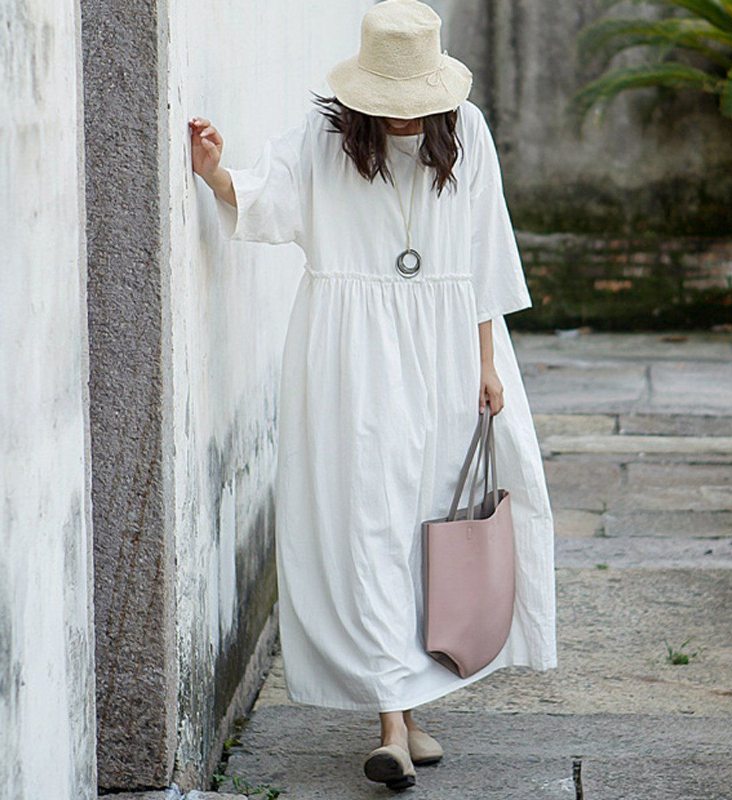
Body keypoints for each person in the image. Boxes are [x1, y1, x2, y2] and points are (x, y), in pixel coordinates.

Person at [189, 0, 556, 791]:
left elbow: (487, 251)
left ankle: (413, 709)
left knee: (429, 522)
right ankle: (391, 724)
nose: (403, 121)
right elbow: (265, 199)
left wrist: (487, 365)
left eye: (414, 106)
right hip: (349, 351)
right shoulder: (324, 140)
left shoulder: (471, 132)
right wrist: (215, 170)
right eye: (389, 107)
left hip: (449, 348)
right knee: (370, 523)